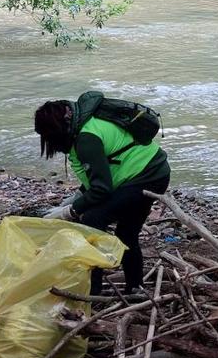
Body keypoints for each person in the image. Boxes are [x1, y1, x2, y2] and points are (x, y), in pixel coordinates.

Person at [35, 92, 170, 295]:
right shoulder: (83, 125)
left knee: (92, 219)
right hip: (150, 171)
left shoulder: (86, 138)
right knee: (126, 233)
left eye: (45, 135)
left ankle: (93, 292)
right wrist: (74, 199)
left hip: (147, 175)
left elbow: (101, 189)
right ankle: (136, 288)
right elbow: (101, 175)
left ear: (55, 130)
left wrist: (68, 212)